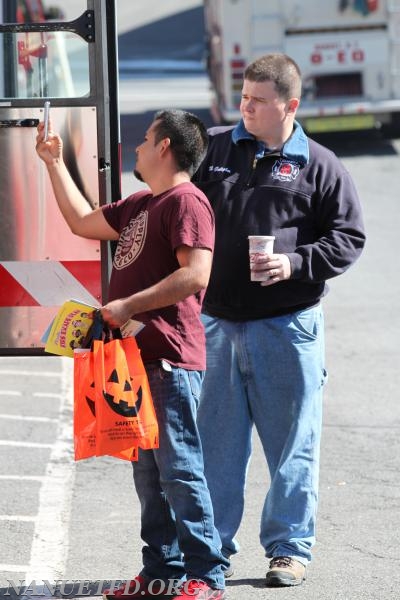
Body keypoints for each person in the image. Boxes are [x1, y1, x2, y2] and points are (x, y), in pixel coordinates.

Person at [36, 109, 229, 600]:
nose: (138, 148)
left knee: (179, 470)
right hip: (133, 363)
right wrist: (52, 161)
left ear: (165, 146)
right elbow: (82, 222)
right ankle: (162, 571)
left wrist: (128, 304)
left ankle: (206, 576)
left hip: (168, 359)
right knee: (149, 477)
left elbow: (196, 275)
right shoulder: (143, 203)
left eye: (145, 139)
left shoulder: (187, 202)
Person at [192, 53, 366, 587]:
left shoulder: (319, 163)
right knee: (216, 445)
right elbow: (174, 196)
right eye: (243, 97)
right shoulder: (216, 148)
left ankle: (289, 549)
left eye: (259, 100)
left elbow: (348, 238)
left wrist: (293, 263)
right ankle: (210, 548)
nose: (245, 107)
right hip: (216, 324)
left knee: (293, 443)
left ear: (290, 106)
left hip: (287, 326)